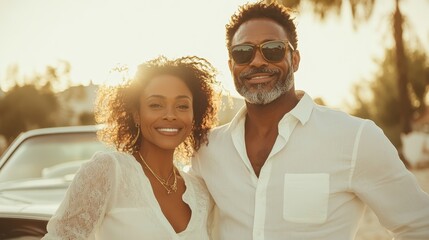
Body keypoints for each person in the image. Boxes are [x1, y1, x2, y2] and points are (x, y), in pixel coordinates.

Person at [190, 1, 429, 239]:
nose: (257, 61)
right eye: (243, 52)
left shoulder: (355, 137)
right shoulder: (208, 149)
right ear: (231, 65)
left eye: (272, 49)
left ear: (295, 59)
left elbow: (419, 224)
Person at [42, 55, 219, 239]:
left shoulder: (201, 194)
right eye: (156, 105)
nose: (170, 115)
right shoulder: (109, 172)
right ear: (136, 114)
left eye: (182, 106)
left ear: (193, 116)